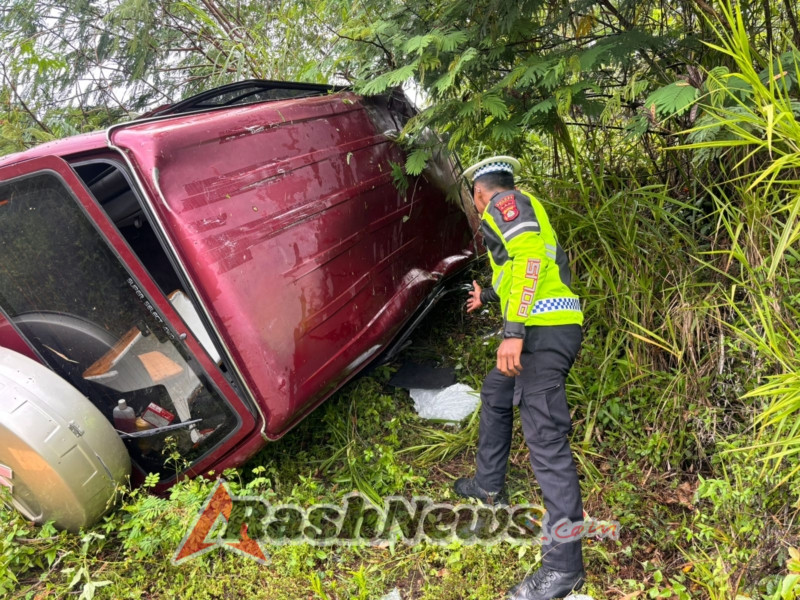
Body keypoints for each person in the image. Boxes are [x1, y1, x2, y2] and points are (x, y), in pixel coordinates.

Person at [454, 156, 586, 600]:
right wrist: (487, 294)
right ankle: (489, 486)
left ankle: (564, 568)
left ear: (479, 195)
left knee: (546, 442)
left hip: (542, 334)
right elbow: (518, 270)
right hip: (539, 330)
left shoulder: (506, 204)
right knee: (495, 393)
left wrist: (512, 331)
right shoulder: (522, 210)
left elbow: (530, 261)